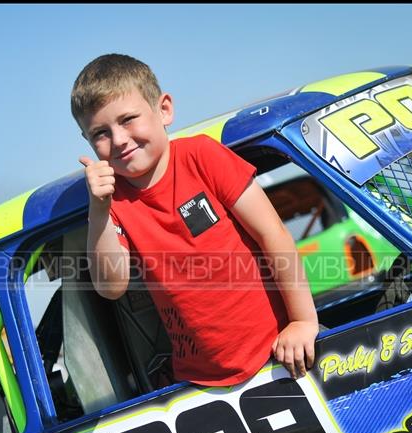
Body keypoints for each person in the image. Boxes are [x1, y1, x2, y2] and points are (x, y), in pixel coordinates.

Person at [71, 53, 318, 386]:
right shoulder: (111, 203)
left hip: (282, 352)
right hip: (199, 386)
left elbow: (272, 234)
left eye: (128, 119)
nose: (118, 140)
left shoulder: (202, 156)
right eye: (100, 133)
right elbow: (111, 288)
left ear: (164, 110)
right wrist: (98, 211)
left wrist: (302, 322)